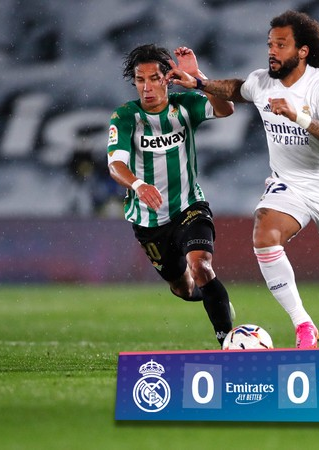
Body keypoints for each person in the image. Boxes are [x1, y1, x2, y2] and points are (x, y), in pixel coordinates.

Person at [168, 11, 319, 368]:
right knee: (264, 236)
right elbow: (236, 89)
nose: (272, 51)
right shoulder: (263, 82)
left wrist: (298, 116)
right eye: (270, 44)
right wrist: (199, 81)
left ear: (302, 51)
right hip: (289, 183)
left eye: (281, 45)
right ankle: (303, 324)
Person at [107, 44, 235, 347]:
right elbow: (115, 165)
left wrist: (199, 79)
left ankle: (229, 343)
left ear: (167, 79)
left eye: (154, 79)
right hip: (149, 221)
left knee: (201, 266)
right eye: (140, 80)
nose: (146, 87)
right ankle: (213, 297)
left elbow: (226, 109)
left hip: (189, 206)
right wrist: (138, 185)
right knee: (183, 288)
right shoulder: (125, 116)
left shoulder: (185, 105)